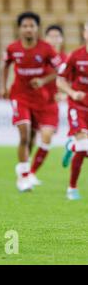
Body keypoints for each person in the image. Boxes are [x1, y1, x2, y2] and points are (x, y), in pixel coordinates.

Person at [1, 12, 63, 192]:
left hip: (39, 99)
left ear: (37, 29)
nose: (28, 29)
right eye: (25, 26)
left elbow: (61, 69)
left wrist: (43, 81)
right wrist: (3, 87)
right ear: (20, 29)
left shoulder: (46, 49)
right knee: (24, 134)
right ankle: (24, 174)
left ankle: (24, 170)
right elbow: (5, 66)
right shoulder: (12, 48)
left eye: (32, 26)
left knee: (32, 139)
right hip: (19, 96)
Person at [27, 25, 68, 183]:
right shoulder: (39, 56)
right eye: (51, 36)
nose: (54, 39)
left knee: (47, 136)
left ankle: (31, 173)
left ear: (62, 39)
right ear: (45, 38)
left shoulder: (66, 59)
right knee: (29, 138)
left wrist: (64, 94)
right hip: (33, 101)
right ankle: (24, 168)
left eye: (57, 36)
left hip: (50, 105)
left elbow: (71, 81)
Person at [56, 21, 88, 200]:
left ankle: (71, 145)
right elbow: (60, 80)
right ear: (85, 34)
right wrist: (72, 93)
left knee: (83, 149)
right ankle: (72, 188)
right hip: (78, 106)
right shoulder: (75, 55)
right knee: (84, 145)